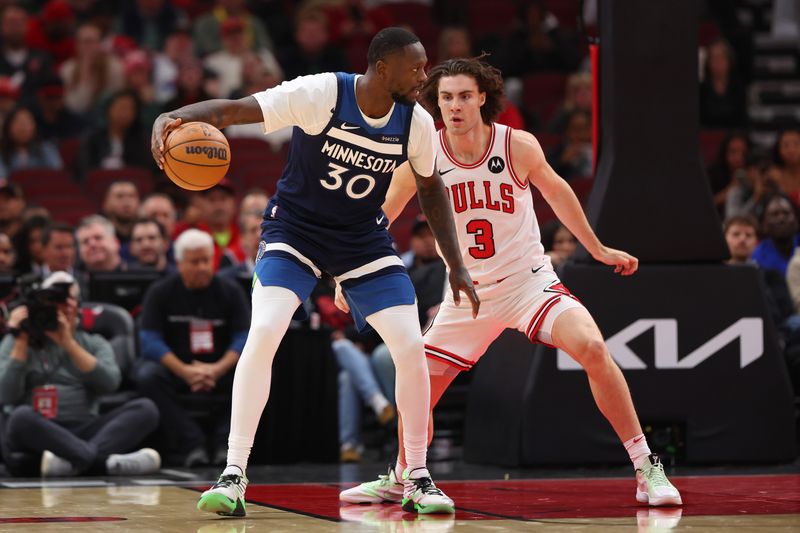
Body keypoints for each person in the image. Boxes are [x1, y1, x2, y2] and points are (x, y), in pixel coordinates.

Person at [151, 27, 478, 516]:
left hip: (361, 240)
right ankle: (234, 473)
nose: (423, 76)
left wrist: (456, 264)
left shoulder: (417, 122)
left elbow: (431, 191)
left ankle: (417, 476)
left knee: (411, 346)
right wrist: (171, 116)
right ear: (382, 67)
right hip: (295, 232)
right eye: (415, 67)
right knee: (264, 330)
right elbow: (238, 109)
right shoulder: (322, 93)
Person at [339, 56, 682, 508]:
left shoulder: (516, 145)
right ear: (435, 103)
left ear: (482, 98)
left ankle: (646, 467)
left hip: (528, 283)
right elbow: (380, 216)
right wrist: (351, 273)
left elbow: (558, 192)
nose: (455, 106)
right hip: (467, 296)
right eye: (445, 98)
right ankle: (402, 475)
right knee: (416, 379)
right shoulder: (422, 155)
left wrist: (596, 249)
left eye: (464, 96)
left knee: (594, 349)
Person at [0, 271, 161, 477]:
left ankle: (72, 461)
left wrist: (68, 343)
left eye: (64, 302)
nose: (58, 308)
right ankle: (103, 463)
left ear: (77, 306)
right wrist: (21, 339)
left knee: (146, 409)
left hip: (84, 428)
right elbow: (6, 395)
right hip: (38, 432)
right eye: (51, 302)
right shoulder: (16, 342)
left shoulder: (93, 343)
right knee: (18, 417)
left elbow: (109, 383)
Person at [134, 230, 249, 467]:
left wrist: (217, 368)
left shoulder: (230, 290)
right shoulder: (161, 291)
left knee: (253, 374)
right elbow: (149, 340)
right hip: (177, 369)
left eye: (207, 260)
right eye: (195, 262)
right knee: (146, 376)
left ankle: (223, 445)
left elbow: (244, 336)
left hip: (221, 367)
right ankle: (192, 442)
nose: (203, 267)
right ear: (179, 263)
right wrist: (184, 371)